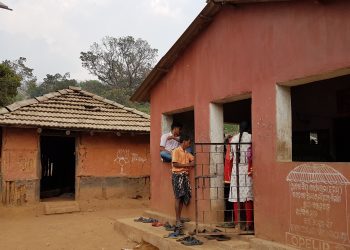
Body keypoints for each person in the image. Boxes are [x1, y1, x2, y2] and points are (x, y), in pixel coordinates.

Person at [228, 121, 253, 231]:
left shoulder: (233, 139)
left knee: (236, 196)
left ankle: (238, 223)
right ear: (249, 128)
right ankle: (248, 224)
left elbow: (230, 157)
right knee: (247, 196)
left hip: (235, 170)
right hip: (247, 169)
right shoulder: (251, 138)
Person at [171, 134, 194, 228]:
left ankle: (179, 218)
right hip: (177, 176)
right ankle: (177, 220)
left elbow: (194, 160)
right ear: (184, 141)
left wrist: (189, 164)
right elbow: (175, 164)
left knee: (181, 197)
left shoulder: (186, 152)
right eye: (188, 142)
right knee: (178, 198)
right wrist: (187, 165)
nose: (189, 144)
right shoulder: (176, 151)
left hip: (183, 176)